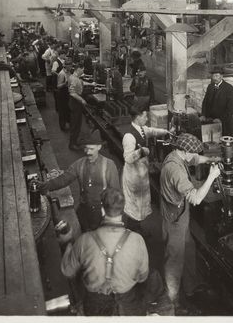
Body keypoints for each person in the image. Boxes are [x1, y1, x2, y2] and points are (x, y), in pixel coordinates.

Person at [60, 187, 149, 316]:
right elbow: (142, 277)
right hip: (128, 306)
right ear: (123, 210)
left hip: (95, 307)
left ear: (102, 210)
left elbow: (67, 271)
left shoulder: (85, 240)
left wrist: (67, 243)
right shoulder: (137, 240)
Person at [160, 133, 221, 314]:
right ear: (183, 151)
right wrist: (212, 176)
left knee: (189, 248)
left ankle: (190, 288)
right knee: (174, 260)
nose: (193, 156)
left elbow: (195, 158)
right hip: (174, 220)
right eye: (190, 153)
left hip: (180, 214)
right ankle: (173, 303)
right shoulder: (175, 170)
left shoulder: (176, 154)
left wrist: (211, 159)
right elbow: (195, 199)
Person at [37, 131, 121, 232]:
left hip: (102, 212)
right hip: (84, 210)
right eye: (86, 148)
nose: (88, 152)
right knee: (84, 232)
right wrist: (45, 186)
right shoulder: (79, 164)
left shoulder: (109, 165)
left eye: (91, 149)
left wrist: (113, 217)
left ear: (99, 147)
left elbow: (115, 194)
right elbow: (64, 179)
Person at [122, 105, 171, 235]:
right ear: (138, 117)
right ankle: (132, 232)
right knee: (134, 206)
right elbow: (127, 158)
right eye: (145, 116)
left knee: (139, 205)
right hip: (133, 176)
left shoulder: (141, 129)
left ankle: (136, 228)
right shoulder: (129, 136)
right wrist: (141, 152)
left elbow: (151, 131)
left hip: (140, 173)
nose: (147, 118)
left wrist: (166, 131)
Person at [201, 67, 233, 136]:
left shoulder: (229, 88)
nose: (214, 78)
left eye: (217, 76)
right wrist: (203, 115)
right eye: (213, 76)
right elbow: (205, 102)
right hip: (211, 120)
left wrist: (220, 119)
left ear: (222, 76)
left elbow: (231, 109)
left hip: (224, 122)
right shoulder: (210, 86)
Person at [68, 62, 87, 151]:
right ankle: (72, 144)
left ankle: (74, 141)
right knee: (75, 124)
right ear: (78, 69)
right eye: (82, 69)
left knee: (77, 123)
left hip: (74, 102)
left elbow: (80, 83)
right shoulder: (75, 79)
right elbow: (72, 92)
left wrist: (91, 84)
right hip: (75, 103)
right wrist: (81, 100)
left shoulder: (73, 77)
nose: (83, 71)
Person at [56, 61, 72, 131]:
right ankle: (62, 126)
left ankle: (69, 123)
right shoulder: (62, 74)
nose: (71, 67)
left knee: (67, 109)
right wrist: (65, 84)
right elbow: (58, 86)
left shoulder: (68, 72)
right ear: (66, 66)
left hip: (67, 93)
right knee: (62, 111)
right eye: (70, 66)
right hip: (62, 94)